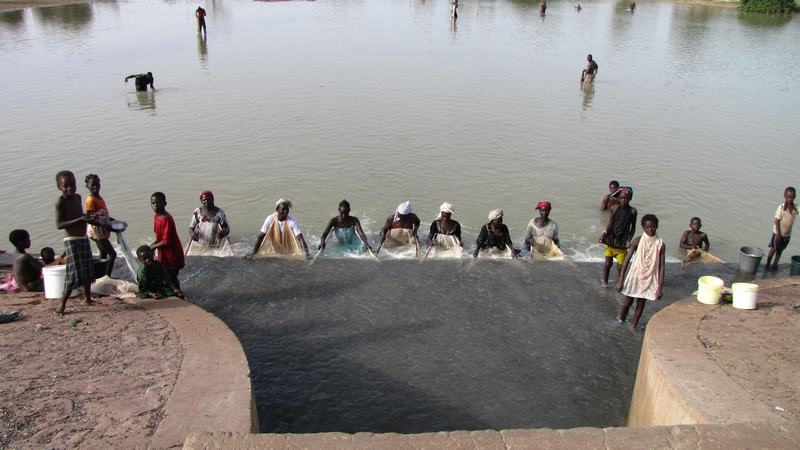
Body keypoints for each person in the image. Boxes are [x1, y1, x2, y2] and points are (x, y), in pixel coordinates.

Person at [55, 170, 96, 314]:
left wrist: (89, 217)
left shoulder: (78, 197)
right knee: (73, 273)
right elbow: (59, 224)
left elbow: (80, 215)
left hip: (83, 237)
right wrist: (80, 220)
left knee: (88, 268)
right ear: (59, 187)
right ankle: (62, 304)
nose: (70, 188)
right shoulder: (60, 202)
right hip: (71, 240)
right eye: (65, 186)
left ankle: (88, 298)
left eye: (72, 184)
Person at [616, 214, 665, 335]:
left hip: (649, 276)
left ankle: (634, 325)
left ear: (657, 226)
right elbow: (626, 260)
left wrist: (659, 287)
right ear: (643, 227)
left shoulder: (660, 244)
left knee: (641, 302)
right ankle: (621, 319)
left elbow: (662, 266)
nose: (650, 230)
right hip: (635, 275)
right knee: (628, 301)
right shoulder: (637, 241)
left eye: (653, 227)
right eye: (647, 227)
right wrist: (621, 280)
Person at [599, 188, 637, 287]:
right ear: (618, 199)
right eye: (622, 198)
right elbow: (610, 223)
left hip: (622, 243)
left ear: (630, 199)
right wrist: (604, 233)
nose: (624, 200)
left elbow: (633, 228)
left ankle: (620, 283)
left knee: (620, 266)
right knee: (608, 264)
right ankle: (605, 282)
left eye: (626, 198)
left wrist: (629, 239)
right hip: (610, 240)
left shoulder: (633, 211)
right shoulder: (613, 208)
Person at [150, 192, 185, 289]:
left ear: (165, 203)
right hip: (164, 253)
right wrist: (153, 244)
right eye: (153, 203)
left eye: (158, 203)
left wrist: (153, 247)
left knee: (171, 277)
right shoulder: (156, 216)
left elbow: (166, 241)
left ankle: (179, 294)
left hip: (172, 254)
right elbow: (159, 237)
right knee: (166, 276)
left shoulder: (166, 219)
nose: (155, 205)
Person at [84, 174, 116, 277]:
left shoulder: (98, 197)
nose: (96, 187)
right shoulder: (90, 200)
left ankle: (100, 275)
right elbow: (89, 219)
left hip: (101, 230)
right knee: (112, 254)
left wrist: (112, 220)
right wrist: (104, 225)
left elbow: (101, 214)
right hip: (97, 232)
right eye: (93, 185)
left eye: (97, 184)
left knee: (103, 253)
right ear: (87, 186)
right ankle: (107, 276)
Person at [188, 191, 232, 255]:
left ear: (212, 199)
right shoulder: (197, 212)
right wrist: (192, 234)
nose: (207, 201)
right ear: (201, 201)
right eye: (204, 200)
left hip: (215, 244)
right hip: (201, 243)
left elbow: (226, 228)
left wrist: (224, 232)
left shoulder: (220, 213)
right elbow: (191, 228)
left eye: (209, 199)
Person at [765, 186, 797, 272]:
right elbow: (777, 221)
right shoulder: (781, 207)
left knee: (780, 250)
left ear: (794, 197)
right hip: (778, 233)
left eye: (791, 197)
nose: (789, 199)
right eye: (788, 197)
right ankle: (767, 264)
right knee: (774, 249)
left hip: (787, 234)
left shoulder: (796, 208)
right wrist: (779, 234)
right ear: (784, 196)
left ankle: (775, 265)